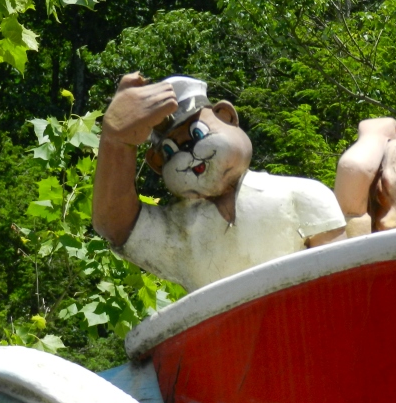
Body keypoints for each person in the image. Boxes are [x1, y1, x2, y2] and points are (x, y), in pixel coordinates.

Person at [93, 73, 347, 292]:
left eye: (197, 134)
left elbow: (340, 282)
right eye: (171, 151)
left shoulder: (302, 195)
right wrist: (116, 143)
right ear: (157, 164)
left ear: (226, 116)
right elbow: (114, 224)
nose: (189, 155)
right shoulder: (177, 230)